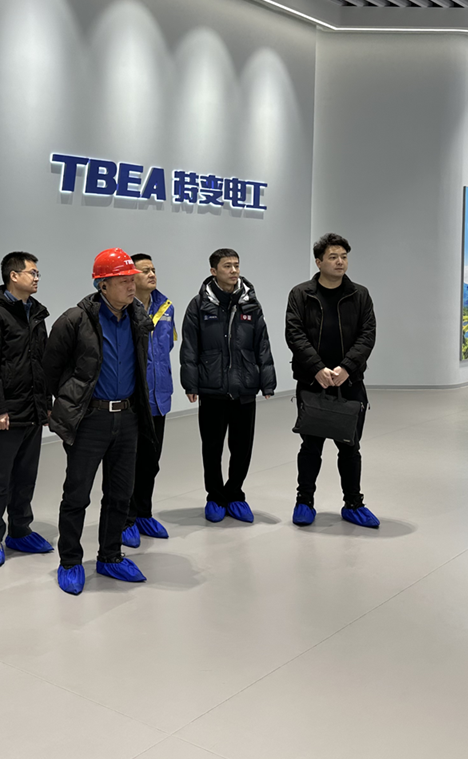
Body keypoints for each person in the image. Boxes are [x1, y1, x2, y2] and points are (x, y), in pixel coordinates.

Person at [43, 248, 155, 595]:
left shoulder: (138, 318)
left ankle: (110, 555)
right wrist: (63, 406)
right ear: (102, 285)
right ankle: (70, 561)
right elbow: (50, 369)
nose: (131, 286)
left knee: (120, 494)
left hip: (128, 417)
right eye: (123, 281)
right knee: (77, 494)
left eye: (131, 280)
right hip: (90, 420)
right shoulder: (75, 320)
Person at [285, 233, 379, 528]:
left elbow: (367, 334)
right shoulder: (301, 294)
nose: (340, 262)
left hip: (349, 383)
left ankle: (353, 504)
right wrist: (317, 368)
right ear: (319, 262)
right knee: (311, 446)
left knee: (349, 446)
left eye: (344, 257)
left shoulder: (359, 295)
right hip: (312, 383)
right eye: (333, 257)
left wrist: (347, 368)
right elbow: (294, 334)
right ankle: (304, 501)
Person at [180, 248, 276, 524]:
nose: (234, 271)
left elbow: (262, 344)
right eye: (227, 266)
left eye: (236, 265)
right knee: (212, 447)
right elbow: (190, 348)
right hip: (212, 389)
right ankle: (215, 496)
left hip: (244, 387)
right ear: (213, 271)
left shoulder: (250, 304)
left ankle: (235, 494)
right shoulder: (199, 305)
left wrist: (267, 382)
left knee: (242, 446)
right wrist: (191, 384)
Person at [0, 251, 54, 566]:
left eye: (37, 273)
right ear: (13, 276)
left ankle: (20, 530)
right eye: (32, 272)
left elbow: (43, 361)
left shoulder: (36, 312)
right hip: (6, 412)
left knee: (26, 475)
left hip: (32, 409)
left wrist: (46, 404)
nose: (36, 278)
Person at [121, 253, 176, 547]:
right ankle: (125, 519)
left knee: (150, 462)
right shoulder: (122, 310)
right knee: (128, 463)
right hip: (132, 400)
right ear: (131, 276)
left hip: (159, 397)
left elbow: (166, 349)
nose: (152, 274)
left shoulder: (167, 307)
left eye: (153, 269)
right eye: (145, 270)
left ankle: (143, 513)